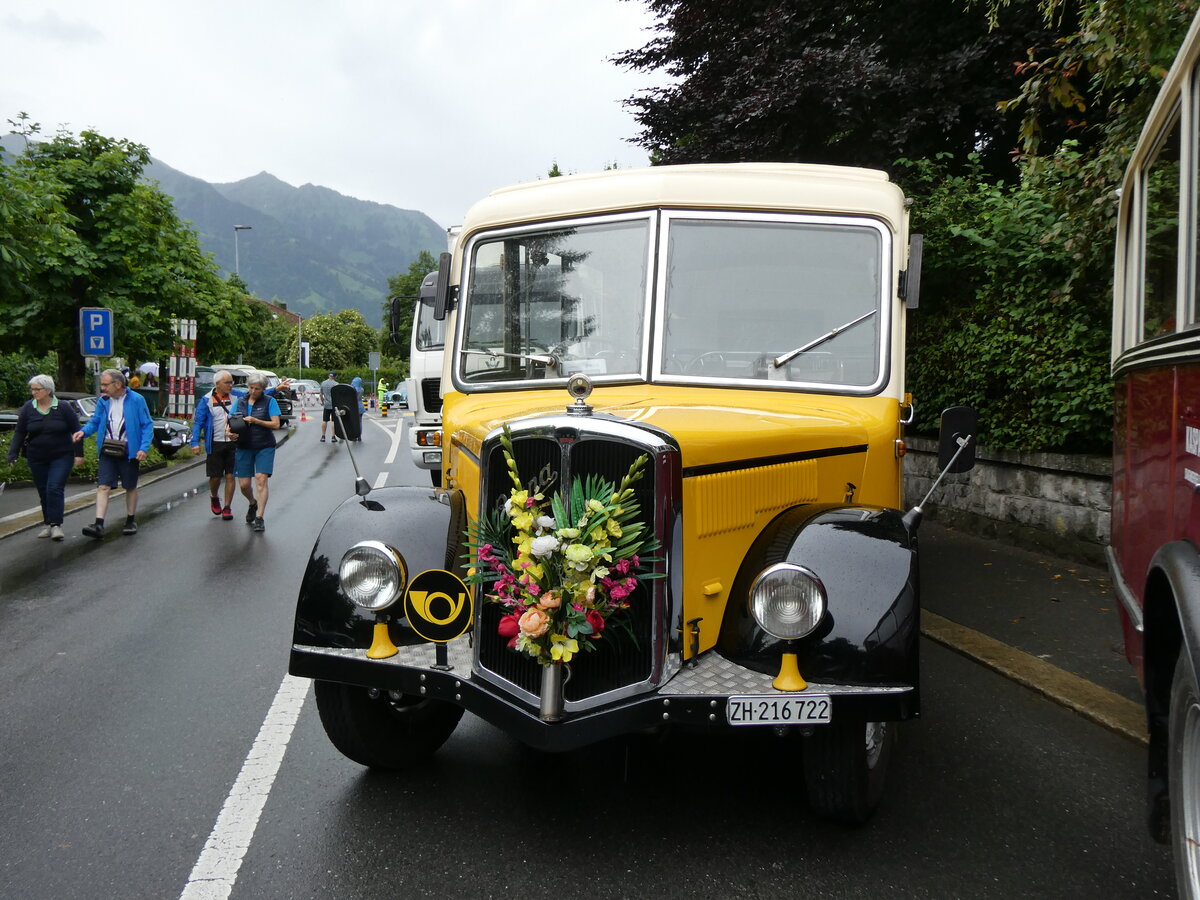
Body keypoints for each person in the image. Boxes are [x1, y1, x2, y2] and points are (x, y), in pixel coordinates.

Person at [73, 368, 155, 538]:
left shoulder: (137, 400)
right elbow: (95, 421)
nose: (103, 388)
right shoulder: (103, 401)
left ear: (117, 384)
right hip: (108, 449)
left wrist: (143, 448)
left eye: (105, 385)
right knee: (103, 486)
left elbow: (147, 425)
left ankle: (130, 520)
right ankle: (98, 524)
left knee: (130, 486)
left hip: (129, 450)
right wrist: (83, 432)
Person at [6, 375, 83, 541]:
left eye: (37, 389)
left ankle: (56, 525)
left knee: (54, 487)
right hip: (37, 457)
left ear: (48, 390)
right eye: (32, 389)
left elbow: (76, 430)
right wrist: (12, 453)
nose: (33, 392)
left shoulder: (63, 407)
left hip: (62, 455)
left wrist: (79, 454)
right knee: (43, 490)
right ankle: (48, 523)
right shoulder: (28, 408)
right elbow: (20, 432)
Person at [230, 371, 281, 533]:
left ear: (263, 389)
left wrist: (256, 421)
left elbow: (276, 424)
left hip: (264, 445)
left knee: (261, 479)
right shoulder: (240, 402)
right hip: (243, 446)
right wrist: (229, 433)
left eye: (257, 389)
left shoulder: (270, 401)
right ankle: (253, 503)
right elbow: (230, 421)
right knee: (244, 485)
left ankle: (259, 517)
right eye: (251, 388)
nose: (253, 391)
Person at [189, 369, 241, 520]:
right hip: (215, 443)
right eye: (227, 382)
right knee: (215, 477)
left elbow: (254, 393)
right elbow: (198, 423)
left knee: (230, 475)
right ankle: (214, 496)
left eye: (231, 382)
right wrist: (195, 442)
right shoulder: (206, 400)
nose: (230, 385)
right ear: (217, 384)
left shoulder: (236, 395)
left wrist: (275, 389)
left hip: (233, 442)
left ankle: (227, 507)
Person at [319, 371, 340, 443]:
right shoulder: (336, 384)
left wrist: (323, 402)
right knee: (334, 421)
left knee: (324, 420)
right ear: (335, 376)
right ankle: (333, 437)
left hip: (326, 405)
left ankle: (323, 436)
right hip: (334, 405)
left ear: (328, 376)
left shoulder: (323, 383)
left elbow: (321, 395)